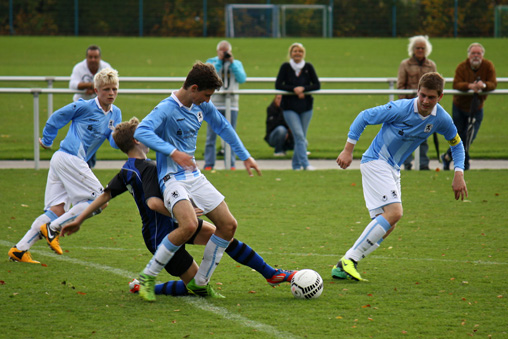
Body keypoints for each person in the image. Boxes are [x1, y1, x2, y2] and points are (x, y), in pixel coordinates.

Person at [61, 117, 296, 299]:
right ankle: (141, 285)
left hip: (171, 225)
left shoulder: (128, 169)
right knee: (195, 287)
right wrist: (183, 213)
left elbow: (105, 195)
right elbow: (153, 203)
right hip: (160, 235)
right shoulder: (148, 168)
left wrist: (79, 220)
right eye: (146, 133)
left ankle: (270, 273)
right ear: (137, 140)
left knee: (224, 236)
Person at [133, 61, 261, 301]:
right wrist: (173, 153)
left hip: (194, 176)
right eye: (206, 95)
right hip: (171, 178)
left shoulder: (202, 105)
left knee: (228, 225)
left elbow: (223, 126)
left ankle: (200, 282)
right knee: (189, 225)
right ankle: (148, 275)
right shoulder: (166, 108)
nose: (208, 100)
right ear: (193, 88)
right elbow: (141, 132)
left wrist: (245, 156)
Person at [331, 72, 468, 282]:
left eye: (431, 97)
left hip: (392, 168)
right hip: (376, 161)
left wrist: (458, 172)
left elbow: (456, 144)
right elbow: (364, 116)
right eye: (422, 95)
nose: (425, 101)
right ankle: (349, 259)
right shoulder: (400, 108)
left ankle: (344, 266)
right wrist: (348, 150)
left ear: (440, 97)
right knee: (395, 212)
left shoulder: (441, 118)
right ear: (417, 91)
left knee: (388, 223)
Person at [7, 68, 122, 264]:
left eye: (114, 89)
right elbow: (57, 117)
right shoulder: (84, 106)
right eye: (106, 89)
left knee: (56, 211)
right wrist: (48, 139)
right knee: (101, 199)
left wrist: (125, 138)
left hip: (66, 162)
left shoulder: (115, 113)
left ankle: (19, 250)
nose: (111, 93)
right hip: (69, 158)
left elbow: (112, 140)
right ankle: (54, 228)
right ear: (96, 90)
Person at [442, 42, 497, 171]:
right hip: (459, 106)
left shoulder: (488, 66)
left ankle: (448, 157)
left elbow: (493, 83)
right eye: (473, 53)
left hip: (477, 107)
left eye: (478, 53)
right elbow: (456, 84)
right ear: (469, 55)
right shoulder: (462, 67)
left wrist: (483, 85)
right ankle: (464, 165)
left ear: (482, 55)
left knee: (469, 136)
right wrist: (470, 86)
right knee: (459, 136)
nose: (476, 56)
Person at [275, 42, 320, 170]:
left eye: (300, 51)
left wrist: (303, 89)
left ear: (303, 53)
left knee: (300, 137)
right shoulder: (285, 67)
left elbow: (316, 85)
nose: (297, 54)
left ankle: (295, 165)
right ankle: (305, 164)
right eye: (295, 51)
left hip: (306, 107)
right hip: (289, 107)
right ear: (291, 53)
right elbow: (278, 85)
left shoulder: (308, 67)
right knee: (299, 136)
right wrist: (294, 89)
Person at [203, 40, 247, 170]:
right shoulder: (211, 62)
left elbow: (242, 78)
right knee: (211, 136)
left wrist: (232, 63)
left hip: (232, 104)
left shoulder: (236, 63)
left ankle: (231, 164)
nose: (224, 52)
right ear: (217, 51)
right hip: (214, 104)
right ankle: (209, 164)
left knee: (231, 135)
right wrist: (220, 62)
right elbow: (208, 76)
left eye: (226, 50)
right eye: (222, 50)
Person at [397, 35, 437, 171]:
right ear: (412, 49)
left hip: (425, 107)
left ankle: (423, 164)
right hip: (409, 106)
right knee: (407, 135)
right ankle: (407, 163)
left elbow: (436, 87)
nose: (420, 50)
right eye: (417, 48)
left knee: (424, 135)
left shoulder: (431, 65)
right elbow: (400, 86)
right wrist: (404, 105)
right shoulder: (405, 65)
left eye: (422, 48)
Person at [69, 45, 112, 168]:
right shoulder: (79, 68)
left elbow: (112, 82)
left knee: (93, 136)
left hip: (98, 109)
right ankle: (82, 164)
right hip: (81, 108)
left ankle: (86, 165)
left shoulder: (106, 67)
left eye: (96, 57)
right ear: (86, 57)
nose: (93, 59)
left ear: (100, 58)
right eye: (90, 57)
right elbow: (72, 84)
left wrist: (93, 88)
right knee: (80, 136)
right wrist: (89, 86)